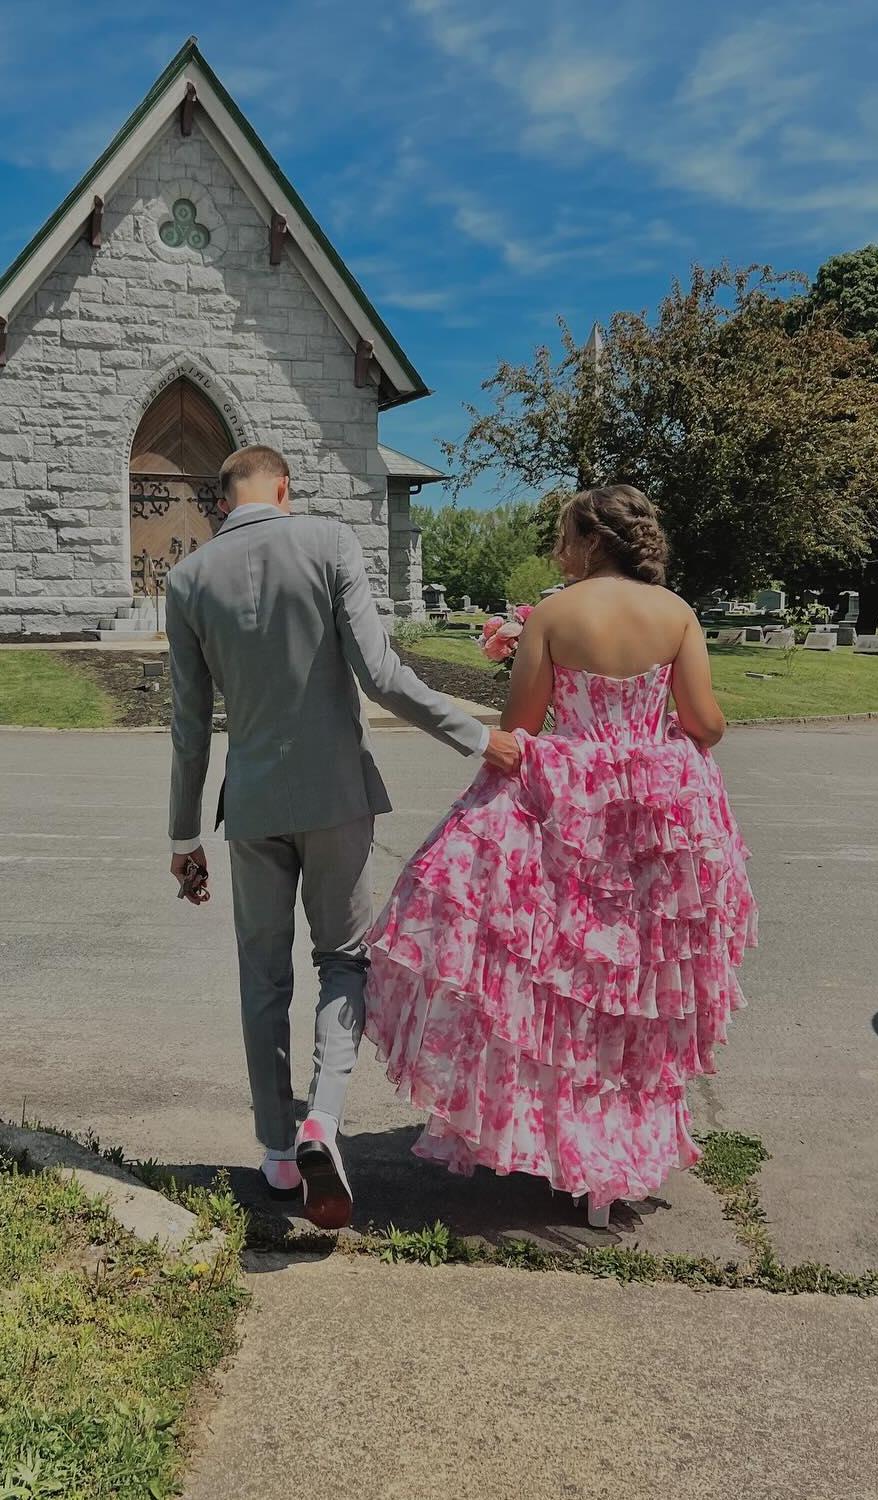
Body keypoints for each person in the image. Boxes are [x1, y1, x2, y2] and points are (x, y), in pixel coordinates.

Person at [364, 484, 756, 1227]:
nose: (557, 549)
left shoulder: (554, 613)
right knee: (634, 983)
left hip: (567, 808)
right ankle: (618, 1145)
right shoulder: (676, 615)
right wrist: (652, 741)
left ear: (595, 541)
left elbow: (521, 726)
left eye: (566, 536)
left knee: (561, 977)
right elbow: (704, 723)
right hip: (653, 824)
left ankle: (558, 1138)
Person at [166, 445, 520, 1229]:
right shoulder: (327, 543)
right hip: (335, 799)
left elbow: (190, 726)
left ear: (224, 502)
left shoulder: (186, 581)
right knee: (342, 961)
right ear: (283, 489)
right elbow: (382, 673)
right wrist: (476, 736)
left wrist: (183, 835)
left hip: (250, 810)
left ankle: (279, 1150)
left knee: (263, 977)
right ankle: (324, 1116)